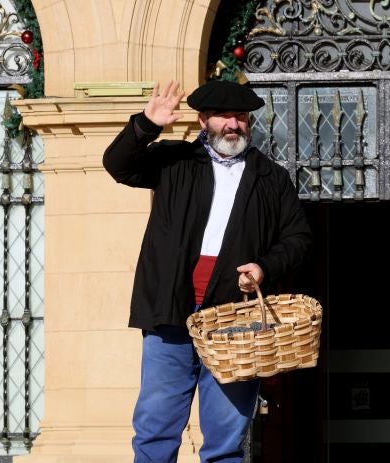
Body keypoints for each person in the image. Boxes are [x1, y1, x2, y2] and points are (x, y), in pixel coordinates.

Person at [102, 79, 313, 462]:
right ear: (203, 120)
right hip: (170, 313)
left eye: (241, 117)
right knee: (155, 432)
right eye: (223, 117)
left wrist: (264, 267)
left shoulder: (271, 178)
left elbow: (298, 238)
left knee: (225, 442)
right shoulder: (175, 160)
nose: (233, 125)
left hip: (234, 321)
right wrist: (146, 125)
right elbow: (117, 165)